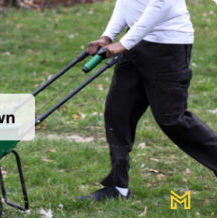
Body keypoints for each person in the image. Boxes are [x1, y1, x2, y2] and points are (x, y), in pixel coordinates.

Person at [79, 0, 217, 201]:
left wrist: (124, 42)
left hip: (169, 46)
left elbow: (160, 5)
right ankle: (117, 187)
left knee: (172, 118)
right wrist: (107, 36)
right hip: (135, 42)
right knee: (118, 112)